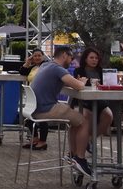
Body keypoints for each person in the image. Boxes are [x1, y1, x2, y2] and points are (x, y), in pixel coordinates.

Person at [31, 46, 92, 176]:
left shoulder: (46, 66)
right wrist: (81, 82)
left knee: (76, 120)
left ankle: (73, 154)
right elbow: (78, 86)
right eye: (71, 57)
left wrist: (75, 82)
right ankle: (80, 159)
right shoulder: (57, 68)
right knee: (85, 122)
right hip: (47, 108)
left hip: (35, 109)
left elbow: (62, 82)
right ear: (64, 55)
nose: (72, 61)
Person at [72, 48, 114, 150]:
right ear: (85, 59)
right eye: (91, 57)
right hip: (82, 102)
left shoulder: (102, 72)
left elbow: (108, 85)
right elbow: (79, 87)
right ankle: (82, 145)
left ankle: (89, 139)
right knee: (88, 116)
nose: (94, 60)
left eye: (96, 58)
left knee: (108, 116)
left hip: (99, 102)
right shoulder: (79, 71)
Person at [19, 48, 49, 149]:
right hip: (32, 96)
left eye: (39, 56)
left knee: (42, 118)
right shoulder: (33, 68)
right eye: (35, 56)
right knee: (29, 116)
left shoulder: (46, 66)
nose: (37, 58)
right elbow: (22, 71)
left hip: (42, 95)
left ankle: (43, 141)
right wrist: (28, 61)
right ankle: (35, 137)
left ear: (43, 56)